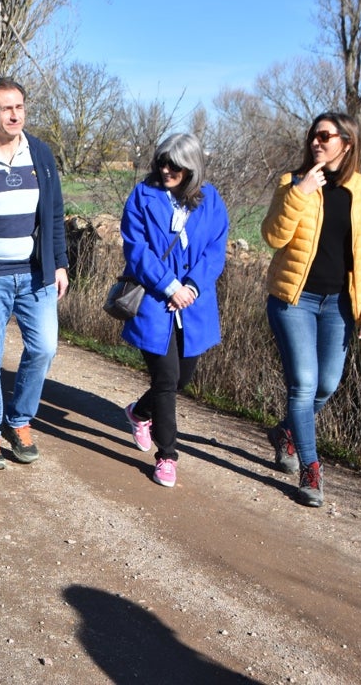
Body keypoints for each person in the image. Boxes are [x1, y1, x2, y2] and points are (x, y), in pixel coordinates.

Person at [262, 112, 361, 507]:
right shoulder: (292, 182)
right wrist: (300, 191)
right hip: (293, 300)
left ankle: (286, 432)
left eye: (324, 136)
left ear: (346, 143)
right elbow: (272, 236)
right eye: (313, 136)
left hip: (340, 306)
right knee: (302, 383)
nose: (316, 142)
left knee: (326, 385)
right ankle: (311, 470)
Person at [0, 77, 68, 471]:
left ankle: (19, 421)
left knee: (44, 349)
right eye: (5, 108)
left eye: (19, 106)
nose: (14, 114)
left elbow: (54, 214)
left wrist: (60, 263)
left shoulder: (40, 154)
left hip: (35, 273)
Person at [120, 133, 229, 488]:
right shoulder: (143, 196)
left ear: (192, 167)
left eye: (175, 165)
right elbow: (136, 249)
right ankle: (167, 456)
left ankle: (139, 412)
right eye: (162, 162)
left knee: (184, 377)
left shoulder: (211, 201)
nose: (166, 169)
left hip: (194, 305)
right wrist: (170, 286)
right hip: (155, 300)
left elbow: (215, 251)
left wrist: (192, 287)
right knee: (166, 380)